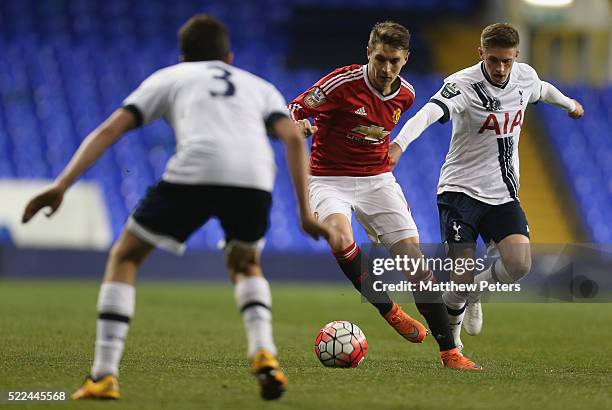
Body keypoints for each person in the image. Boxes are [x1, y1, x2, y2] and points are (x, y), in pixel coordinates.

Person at [22, 15, 331, 401]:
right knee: (246, 263)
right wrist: (305, 212)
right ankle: (264, 351)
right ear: (229, 57)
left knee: (126, 256)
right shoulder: (260, 87)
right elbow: (292, 138)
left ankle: (103, 374)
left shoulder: (170, 77)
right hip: (253, 174)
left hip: (195, 169)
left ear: (184, 56)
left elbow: (109, 130)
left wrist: (61, 185)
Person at [289, 21, 480, 370]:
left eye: (394, 60)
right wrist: (299, 124)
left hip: (377, 180)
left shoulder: (405, 95)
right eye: (380, 59)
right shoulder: (342, 83)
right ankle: (389, 310)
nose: (386, 68)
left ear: (405, 58)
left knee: (414, 263)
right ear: (368, 53)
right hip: (329, 179)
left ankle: (450, 353)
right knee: (339, 236)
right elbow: (297, 108)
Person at [390, 22, 584, 352]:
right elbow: (426, 113)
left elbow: (543, 89)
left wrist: (569, 104)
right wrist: (398, 145)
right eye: (493, 60)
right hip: (459, 192)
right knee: (459, 279)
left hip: (503, 193)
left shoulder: (524, 77)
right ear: (481, 53)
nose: (500, 68)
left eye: (507, 61)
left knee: (520, 265)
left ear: (516, 57)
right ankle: (452, 343)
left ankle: (475, 292)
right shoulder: (462, 84)